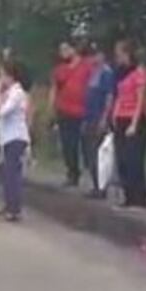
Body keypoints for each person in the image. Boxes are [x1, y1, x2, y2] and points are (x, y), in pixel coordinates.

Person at [111, 39, 146, 208]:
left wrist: (134, 123)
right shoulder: (120, 72)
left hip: (134, 118)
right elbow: (119, 95)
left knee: (134, 159)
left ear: (127, 54)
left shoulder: (139, 72)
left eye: (119, 54)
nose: (117, 57)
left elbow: (140, 99)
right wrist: (114, 114)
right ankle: (128, 196)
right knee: (122, 159)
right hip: (120, 116)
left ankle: (139, 197)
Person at [49, 41, 93, 187]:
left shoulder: (87, 66)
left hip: (83, 110)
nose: (63, 52)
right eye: (61, 49)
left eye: (66, 49)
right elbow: (54, 88)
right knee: (68, 143)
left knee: (86, 143)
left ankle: (91, 170)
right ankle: (72, 173)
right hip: (64, 109)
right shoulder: (59, 69)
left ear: (74, 49)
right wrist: (52, 108)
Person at [0, 60, 31, 222]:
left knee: (11, 174)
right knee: (5, 172)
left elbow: (3, 111)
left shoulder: (17, 93)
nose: (1, 79)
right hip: (8, 138)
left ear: (10, 77)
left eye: (3, 75)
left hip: (16, 137)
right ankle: (9, 204)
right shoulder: (11, 92)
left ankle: (14, 209)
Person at [81, 44, 116, 198]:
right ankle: (96, 184)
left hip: (99, 117)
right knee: (90, 152)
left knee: (98, 153)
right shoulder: (93, 73)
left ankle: (101, 187)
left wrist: (104, 118)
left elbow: (109, 97)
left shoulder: (106, 74)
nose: (92, 58)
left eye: (95, 55)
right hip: (89, 116)